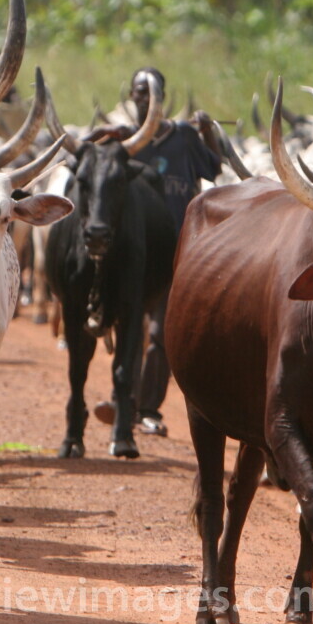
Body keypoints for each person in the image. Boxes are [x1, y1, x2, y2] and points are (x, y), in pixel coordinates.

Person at [88, 67, 221, 436]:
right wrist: (100, 138)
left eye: (150, 91)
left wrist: (208, 131)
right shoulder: (125, 141)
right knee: (129, 328)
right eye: (138, 92)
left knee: (160, 334)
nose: (143, 98)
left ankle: (146, 408)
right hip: (132, 249)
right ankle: (125, 401)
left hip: (176, 248)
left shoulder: (183, 137)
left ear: (163, 94)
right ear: (131, 97)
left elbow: (214, 168)